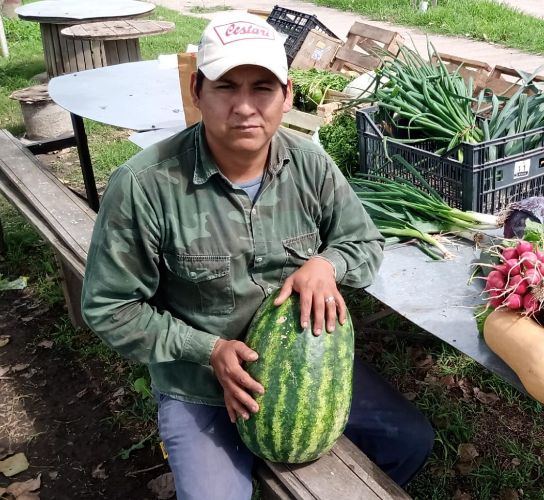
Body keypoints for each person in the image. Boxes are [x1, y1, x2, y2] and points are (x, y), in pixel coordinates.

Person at [81, 10, 434, 499]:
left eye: (262, 88)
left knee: (410, 441)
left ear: (287, 95)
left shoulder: (310, 165)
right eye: (226, 87)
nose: (245, 106)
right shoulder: (145, 185)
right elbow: (111, 307)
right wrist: (210, 351)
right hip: (199, 384)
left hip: (305, 371)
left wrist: (326, 264)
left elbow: (366, 244)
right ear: (196, 92)